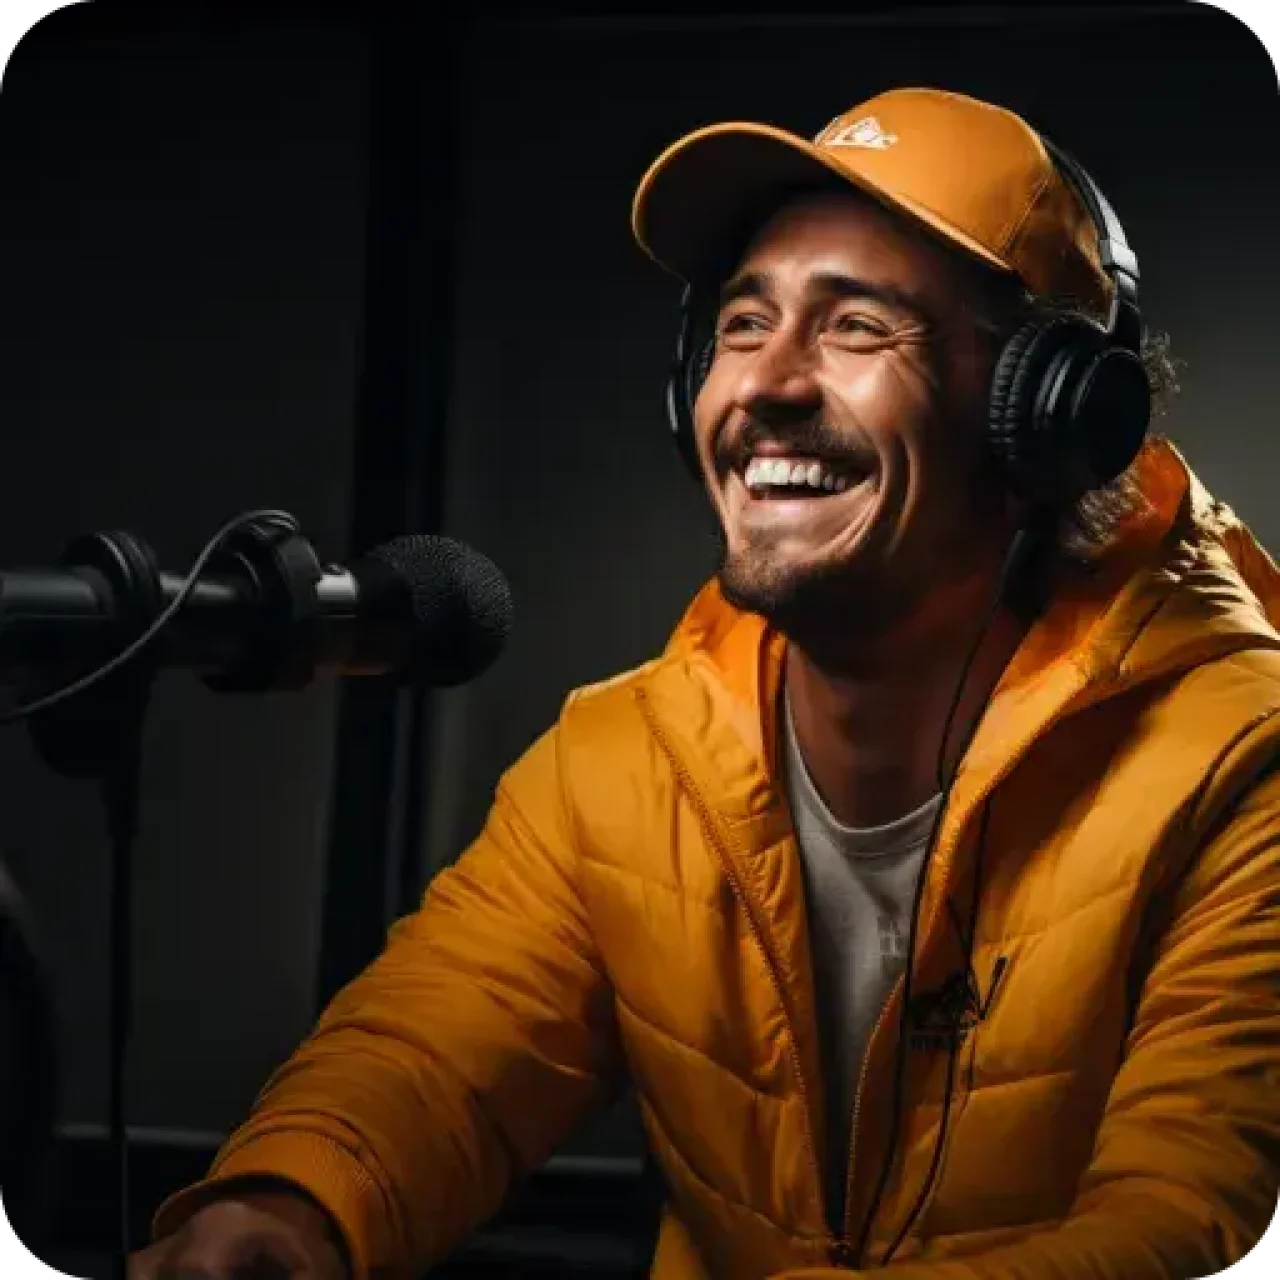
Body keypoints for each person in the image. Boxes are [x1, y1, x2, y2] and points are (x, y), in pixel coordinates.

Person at [131, 87, 1280, 1280]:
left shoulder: (1241, 767)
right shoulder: (624, 757)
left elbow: (1201, 1225)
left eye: (855, 328)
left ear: (1047, 415)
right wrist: (284, 1207)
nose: (765, 384)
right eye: (740, 325)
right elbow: (433, 1051)